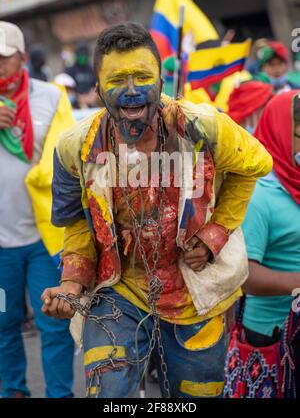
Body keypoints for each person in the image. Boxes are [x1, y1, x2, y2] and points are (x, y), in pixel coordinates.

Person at [41, 22, 272, 398]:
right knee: (109, 394)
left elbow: (255, 166)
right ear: (97, 89)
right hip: (118, 290)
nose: (132, 91)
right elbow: (74, 223)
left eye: (142, 76)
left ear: (161, 82)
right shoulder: (75, 149)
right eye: (118, 79)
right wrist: (71, 282)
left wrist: (217, 232)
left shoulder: (205, 127)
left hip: (195, 293)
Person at [0, 21, 75, 398]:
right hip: (0, 246)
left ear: (22, 58)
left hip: (47, 238)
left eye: (3, 59)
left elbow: (65, 154)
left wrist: (38, 173)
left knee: (55, 322)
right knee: (2, 322)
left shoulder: (52, 96)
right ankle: (12, 391)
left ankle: (60, 393)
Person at [225, 91, 300, 398]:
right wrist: (296, 283)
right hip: (272, 336)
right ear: (282, 131)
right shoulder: (260, 194)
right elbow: (244, 274)